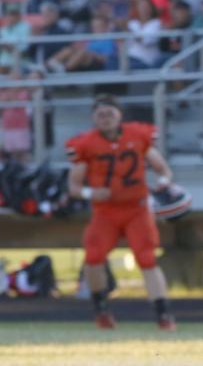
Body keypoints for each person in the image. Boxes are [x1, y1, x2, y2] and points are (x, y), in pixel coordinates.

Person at [66, 95, 177, 331]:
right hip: (105, 212)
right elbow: (74, 187)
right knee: (93, 257)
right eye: (100, 115)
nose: (105, 119)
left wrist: (164, 182)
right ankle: (101, 310)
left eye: (110, 113)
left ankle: (163, 314)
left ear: (120, 115)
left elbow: (163, 169)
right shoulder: (86, 144)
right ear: (93, 119)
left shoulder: (138, 136)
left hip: (136, 209)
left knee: (147, 259)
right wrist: (90, 193)